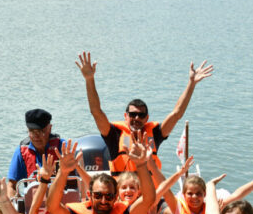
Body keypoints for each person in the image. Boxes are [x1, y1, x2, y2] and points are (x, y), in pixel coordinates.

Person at [76, 51, 213, 174]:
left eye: (141, 115)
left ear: (147, 118)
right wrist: (89, 79)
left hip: (149, 195)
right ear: (125, 116)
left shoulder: (155, 134)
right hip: (123, 195)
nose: (136, 118)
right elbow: (96, 112)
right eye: (132, 114)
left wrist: (191, 83)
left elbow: (176, 114)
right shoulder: (114, 134)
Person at [6, 109, 66, 198]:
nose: (36, 136)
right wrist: (15, 205)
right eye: (32, 131)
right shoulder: (21, 152)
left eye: (40, 131)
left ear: (50, 128)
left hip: (61, 200)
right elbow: (11, 185)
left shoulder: (63, 148)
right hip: (33, 202)